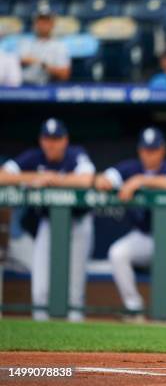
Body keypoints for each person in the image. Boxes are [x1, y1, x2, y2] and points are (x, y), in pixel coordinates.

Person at [0, 118, 95, 321]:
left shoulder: (75, 154)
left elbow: (87, 179)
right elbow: (2, 176)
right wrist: (34, 177)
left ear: (65, 140)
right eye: (47, 138)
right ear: (41, 140)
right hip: (49, 223)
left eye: (56, 138)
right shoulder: (34, 157)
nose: (51, 143)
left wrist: (54, 178)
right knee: (40, 289)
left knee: (74, 293)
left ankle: (76, 348)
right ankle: (42, 345)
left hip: (78, 223)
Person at [94, 127, 166, 318]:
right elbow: (102, 181)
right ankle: (133, 306)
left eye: (153, 150)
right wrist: (111, 183)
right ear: (140, 150)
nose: (149, 154)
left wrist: (139, 181)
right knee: (117, 253)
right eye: (146, 150)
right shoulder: (130, 167)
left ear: (162, 149)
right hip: (143, 235)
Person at [18, 2, 71, 85]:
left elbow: (64, 74)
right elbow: (13, 65)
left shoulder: (59, 46)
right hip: (22, 85)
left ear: (52, 24)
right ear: (35, 23)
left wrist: (43, 65)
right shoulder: (25, 42)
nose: (43, 25)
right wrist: (22, 61)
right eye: (40, 21)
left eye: (47, 21)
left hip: (46, 87)